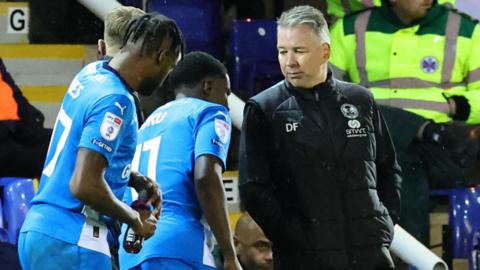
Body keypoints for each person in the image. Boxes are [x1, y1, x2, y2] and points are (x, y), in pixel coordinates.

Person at [239, 5, 402, 269]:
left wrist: (383, 224)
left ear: (325, 51)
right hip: (305, 260)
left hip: (372, 256)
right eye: (283, 51)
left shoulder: (361, 100)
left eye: (299, 51)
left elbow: (388, 168)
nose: (289, 61)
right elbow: (254, 189)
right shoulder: (264, 108)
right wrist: (296, 238)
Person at [18, 12, 183, 270]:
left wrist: (130, 176)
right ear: (162, 57)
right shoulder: (115, 101)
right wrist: (134, 219)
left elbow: (79, 153)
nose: (166, 78)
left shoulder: (90, 75)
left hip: (39, 231)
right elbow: (84, 184)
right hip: (74, 238)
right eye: (169, 67)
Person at [330, 0, 480, 245]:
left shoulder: (466, 30)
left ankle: (404, 256)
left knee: (394, 156)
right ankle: (414, 259)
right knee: (395, 154)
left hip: (445, 151)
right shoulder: (349, 30)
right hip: (370, 147)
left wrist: (459, 105)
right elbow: (323, 92)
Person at [118, 51, 241, 270]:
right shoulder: (211, 112)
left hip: (133, 249)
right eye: (227, 92)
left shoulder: (147, 124)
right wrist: (229, 254)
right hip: (179, 246)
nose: (227, 104)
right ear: (208, 86)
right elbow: (206, 177)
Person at [0, 57, 52, 179]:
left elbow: (11, 89)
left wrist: (31, 115)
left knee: (63, 143)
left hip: (14, 129)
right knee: (47, 159)